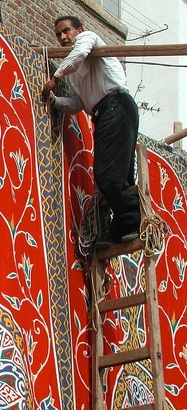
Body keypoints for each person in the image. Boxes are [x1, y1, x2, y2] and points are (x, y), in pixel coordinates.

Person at [42, 15, 140, 246]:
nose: (63, 37)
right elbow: (78, 104)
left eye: (66, 31)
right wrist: (54, 101)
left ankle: (131, 222)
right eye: (58, 35)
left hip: (116, 105)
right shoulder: (76, 73)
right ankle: (122, 230)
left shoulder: (88, 39)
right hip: (107, 111)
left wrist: (55, 79)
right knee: (119, 175)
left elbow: (77, 55)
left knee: (108, 175)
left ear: (79, 30)